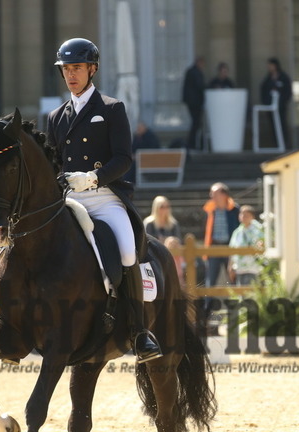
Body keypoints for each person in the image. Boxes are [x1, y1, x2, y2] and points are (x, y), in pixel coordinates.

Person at [46, 37, 162, 362]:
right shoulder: (56, 117)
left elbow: (124, 158)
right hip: (71, 201)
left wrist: (94, 177)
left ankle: (140, 332)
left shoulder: (111, 108)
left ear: (92, 69)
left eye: (78, 68)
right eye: (67, 69)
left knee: (127, 250)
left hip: (106, 196)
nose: (71, 75)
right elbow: (53, 162)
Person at [203, 182, 240, 288]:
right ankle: (208, 304)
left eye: (214, 193)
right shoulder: (210, 210)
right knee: (210, 280)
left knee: (233, 278)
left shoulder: (235, 210)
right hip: (214, 246)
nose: (211, 196)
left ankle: (237, 304)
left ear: (224, 195)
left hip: (230, 247)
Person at [144, 196, 184, 286]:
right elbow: (147, 242)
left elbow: (179, 240)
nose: (165, 209)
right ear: (156, 208)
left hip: (172, 256)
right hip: (155, 257)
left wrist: (172, 241)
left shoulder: (173, 224)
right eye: (162, 206)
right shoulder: (149, 223)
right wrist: (164, 242)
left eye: (167, 206)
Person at [260, 57, 292, 149]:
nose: (269, 67)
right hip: (270, 107)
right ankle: (276, 144)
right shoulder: (268, 79)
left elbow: (287, 92)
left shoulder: (283, 77)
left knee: (282, 125)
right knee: (273, 126)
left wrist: (282, 102)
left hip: (281, 107)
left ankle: (285, 144)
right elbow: (263, 90)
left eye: (271, 65)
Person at [228, 205, 264, 285]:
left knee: (251, 294)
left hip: (253, 268)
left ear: (252, 217)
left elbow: (262, 245)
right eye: (242, 214)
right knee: (241, 294)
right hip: (239, 268)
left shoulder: (258, 230)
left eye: (247, 215)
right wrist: (230, 267)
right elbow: (232, 250)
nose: (244, 217)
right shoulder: (237, 232)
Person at [182, 56, 205, 150]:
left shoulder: (190, 71)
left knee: (196, 123)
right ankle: (192, 144)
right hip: (195, 102)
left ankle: (193, 143)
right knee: (196, 123)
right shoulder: (195, 72)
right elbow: (200, 86)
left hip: (191, 102)